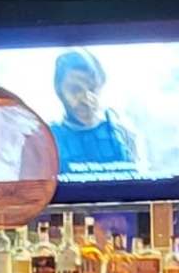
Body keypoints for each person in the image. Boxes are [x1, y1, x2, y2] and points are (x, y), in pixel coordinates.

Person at [46, 49, 138, 179]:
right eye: (75, 90)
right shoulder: (47, 140)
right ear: (59, 90)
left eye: (93, 89)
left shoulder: (122, 134)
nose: (86, 99)